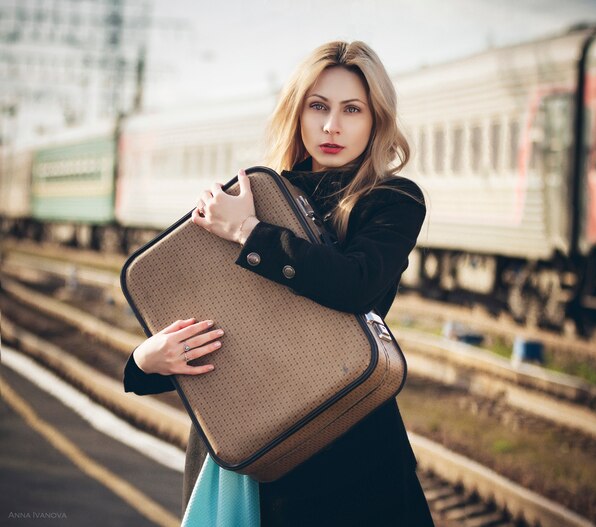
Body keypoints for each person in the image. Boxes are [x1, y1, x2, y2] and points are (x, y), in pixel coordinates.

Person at [124, 40, 434, 526]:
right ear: (298, 112)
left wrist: (247, 232)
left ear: (376, 119)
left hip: (346, 458)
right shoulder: (257, 194)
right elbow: (221, 318)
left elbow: (356, 285)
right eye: (318, 106)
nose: (331, 126)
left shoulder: (391, 201)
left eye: (352, 109)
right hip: (242, 454)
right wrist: (145, 362)